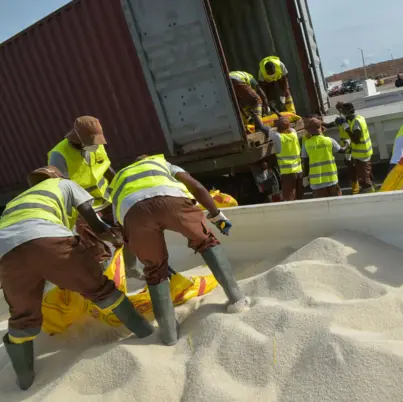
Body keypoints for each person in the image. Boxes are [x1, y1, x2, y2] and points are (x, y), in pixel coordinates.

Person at [0, 166, 153, 390]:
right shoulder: (66, 185)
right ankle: (146, 333)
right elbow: (96, 225)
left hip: (6, 253)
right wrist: (116, 238)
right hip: (48, 239)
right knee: (101, 289)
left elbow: (24, 246)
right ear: (57, 176)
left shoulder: (16, 201)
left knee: (22, 316)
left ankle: (24, 380)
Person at [109, 154, 251, 346]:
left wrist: (131, 265)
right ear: (147, 159)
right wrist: (218, 217)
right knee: (206, 242)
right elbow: (197, 187)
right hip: (172, 201)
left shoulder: (119, 179)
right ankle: (238, 300)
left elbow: (124, 231)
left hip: (133, 213)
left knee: (154, 269)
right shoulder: (161, 163)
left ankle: (169, 334)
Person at [48, 116, 140, 276]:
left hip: (106, 199)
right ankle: (104, 278)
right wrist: (94, 222)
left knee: (127, 233)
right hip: (81, 206)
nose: (95, 145)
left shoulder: (97, 145)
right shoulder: (59, 155)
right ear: (77, 136)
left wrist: (123, 189)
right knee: (93, 245)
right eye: (91, 142)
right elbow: (63, 188)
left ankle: (130, 268)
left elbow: (106, 168)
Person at [254, 116, 304, 201]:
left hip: (288, 173)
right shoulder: (293, 133)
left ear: (278, 128)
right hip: (299, 171)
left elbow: (263, 128)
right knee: (299, 196)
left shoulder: (278, 136)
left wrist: (255, 115)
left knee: (289, 198)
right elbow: (287, 127)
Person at [301, 118, 347, 198]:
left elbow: (306, 163)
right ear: (320, 128)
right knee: (337, 204)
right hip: (331, 179)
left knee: (322, 207)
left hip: (316, 183)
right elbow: (342, 151)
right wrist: (347, 143)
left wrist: (306, 177)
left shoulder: (306, 144)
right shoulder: (329, 141)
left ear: (308, 131)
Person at [338, 103, 375, 193]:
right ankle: (371, 190)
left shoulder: (356, 122)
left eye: (343, 111)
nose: (342, 112)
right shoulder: (359, 118)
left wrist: (346, 128)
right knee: (367, 174)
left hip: (362, 155)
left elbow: (356, 140)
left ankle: (371, 195)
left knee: (364, 179)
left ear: (348, 111)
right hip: (363, 153)